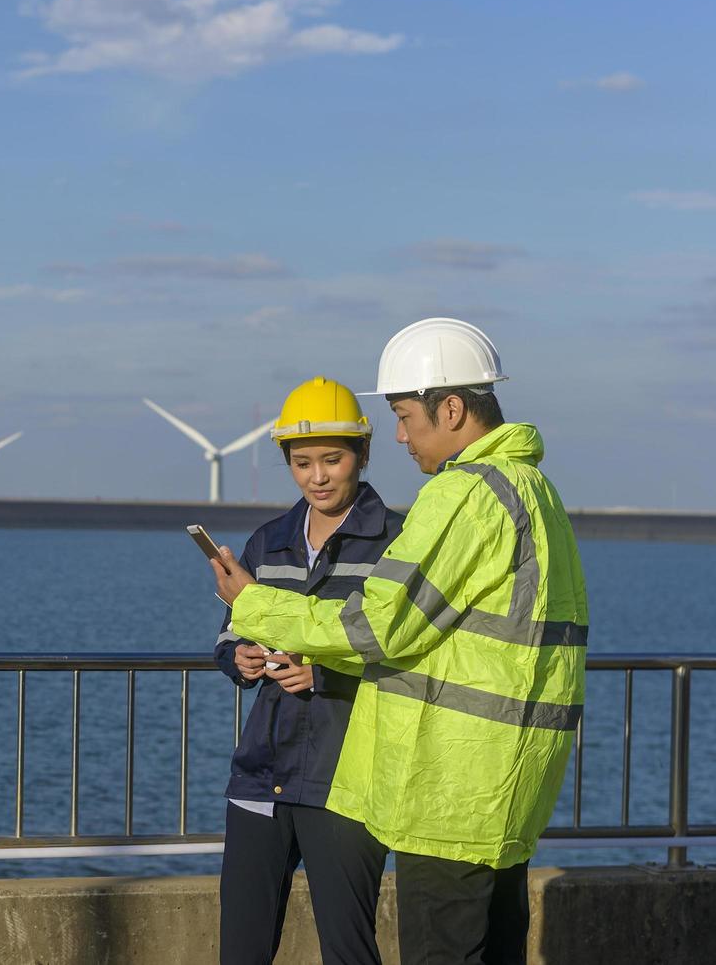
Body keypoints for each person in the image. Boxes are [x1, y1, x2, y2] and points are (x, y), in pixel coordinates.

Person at [211, 318, 587, 965]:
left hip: (450, 792)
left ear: (450, 408)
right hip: (506, 786)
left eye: (405, 414)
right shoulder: (535, 492)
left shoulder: (467, 494)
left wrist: (252, 604)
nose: (400, 434)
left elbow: (377, 626)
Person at [215, 377, 404, 965]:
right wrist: (239, 660)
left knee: (348, 950)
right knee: (240, 951)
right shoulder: (267, 542)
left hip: (345, 779)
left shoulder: (398, 543)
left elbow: (406, 658)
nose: (317, 476)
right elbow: (229, 634)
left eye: (332, 459)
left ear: (362, 455)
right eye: (302, 462)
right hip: (260, 774)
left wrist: (324, 676)